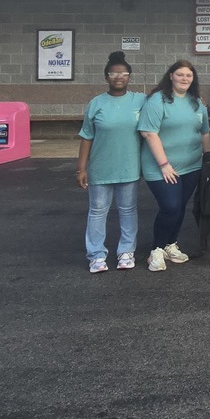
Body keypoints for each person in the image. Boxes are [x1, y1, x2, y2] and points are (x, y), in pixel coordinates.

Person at [138, 60, 210, 272]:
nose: (184, 79)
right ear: (170, 75)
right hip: (161, 167)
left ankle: (170, 244)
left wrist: (208, 158)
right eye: (180, 74)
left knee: (179, 207)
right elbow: (149, 133)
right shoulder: (157, 100)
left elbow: (204, 131)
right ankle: (157, 249)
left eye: (188, 75)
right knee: (170, 206)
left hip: (191, 166)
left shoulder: (197, 102)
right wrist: (164, 164)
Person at [76, 51, 146, 273]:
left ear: (130, 77)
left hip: (129, 167)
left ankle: (126, 251)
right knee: (97, 211)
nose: (119, 77)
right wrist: (81, 169)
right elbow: (87, 137)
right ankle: (96, 255)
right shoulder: (96, 103)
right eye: (113, 74)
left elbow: (164, 105)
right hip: (100, 168)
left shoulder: (140, 101)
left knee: (128, 210)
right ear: (106, 77)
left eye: (124, 74)